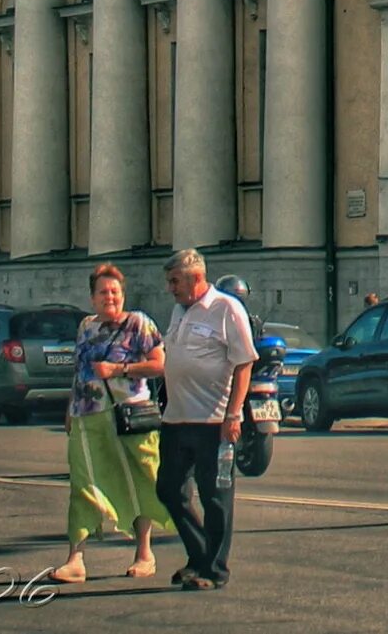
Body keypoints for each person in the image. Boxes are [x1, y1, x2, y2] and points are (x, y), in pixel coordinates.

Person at [136, 248, 255, 591]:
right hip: (176, 420)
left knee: (215, 495)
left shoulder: (227, 309)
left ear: (196, 278)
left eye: (175, 281)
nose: (170, 288)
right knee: (169, 489)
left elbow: (244, 362)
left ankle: (213, 569)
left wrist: (233, 415)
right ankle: (199, 554)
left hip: (213, 421)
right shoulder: (180, 310)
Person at [55, 263, 170, 585]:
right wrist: (69, 409)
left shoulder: (139, 323)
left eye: (115, 291)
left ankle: (144, 554)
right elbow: (79, 374)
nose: (110, 297)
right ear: (92, 298)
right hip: (87, 416)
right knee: (83, 485)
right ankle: (75, 559)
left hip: (129, 416)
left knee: (140, 481)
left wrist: (119, 370)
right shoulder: (86, 327)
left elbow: (160, 365)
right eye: (103, 292)